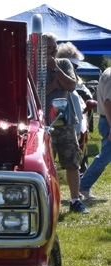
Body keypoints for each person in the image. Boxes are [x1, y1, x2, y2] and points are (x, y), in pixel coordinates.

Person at [44, 33, 89, 214]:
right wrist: (55, 85)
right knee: (46, 165)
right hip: (42, 125)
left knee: (72, 163)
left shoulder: (63, 64)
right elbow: (31, 92)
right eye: (49, 47)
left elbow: (71, 86)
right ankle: (47, 202)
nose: (54, 50)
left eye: (55, 46)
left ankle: (75, 200)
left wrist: (56, 70)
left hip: (65, 123)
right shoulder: (31, 66)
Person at [79, 66, 111, 200]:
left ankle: (83, 185)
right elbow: (108, 102)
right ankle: (83, 186)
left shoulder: (107, 71)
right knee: (105, 156)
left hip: (107, 120)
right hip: (108, 121)